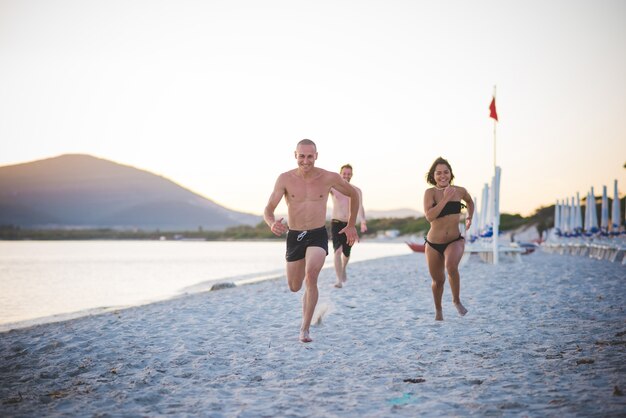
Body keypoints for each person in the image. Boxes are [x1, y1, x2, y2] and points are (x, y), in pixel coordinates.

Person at [264, 139, 360, 343]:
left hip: (317, 233)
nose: (306, 160)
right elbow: (268, 209)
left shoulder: (328, 177)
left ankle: (304, 329)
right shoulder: (285, 179)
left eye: (310, 156)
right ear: (295, 155)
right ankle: (307, 301)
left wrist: (351, 224)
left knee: (312, 275)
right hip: (295, 236)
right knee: (294, 285)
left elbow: (353, 193)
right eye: (302, 156)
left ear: (316, 155)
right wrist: (272, 223)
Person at [423, 157, 474, 321]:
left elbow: (470, 201)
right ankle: (438, 310)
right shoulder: (429, 193)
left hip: (454, 240)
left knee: (451, 266)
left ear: (451, 174)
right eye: (438, 173)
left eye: (446, 172)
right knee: (438, 281)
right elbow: (430, 217)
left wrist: (469, 217)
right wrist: (445, 198)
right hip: (433, 244)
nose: (442, 176)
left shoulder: (460, 190)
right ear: (433, 175)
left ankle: (456, 300)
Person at [330, 164, 367, 288]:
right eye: (344, 173)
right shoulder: (333, 188)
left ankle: (344, 268)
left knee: (346, 252)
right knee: (337, 251)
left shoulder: (356, 190)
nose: (346, 176)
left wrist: (363, 222)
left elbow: (360, 206)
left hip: (350, 224)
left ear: (352, 175)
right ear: (340, 174)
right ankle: (339, 280)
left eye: (348, 174)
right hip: (336, 222)